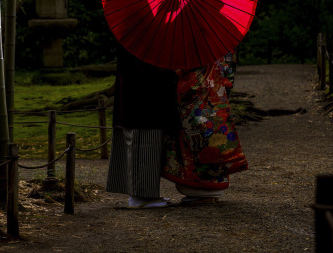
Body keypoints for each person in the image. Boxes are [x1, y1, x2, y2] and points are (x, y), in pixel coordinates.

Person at [162, 51, 248, 204]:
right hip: (215, 92)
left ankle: (202, 189)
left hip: (196, 94)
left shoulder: (188, 41)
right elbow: (228, 71)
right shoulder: (220, 41)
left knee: (196, 140)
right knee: (211, 137)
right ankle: (211, 187)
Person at [105, 46, 180, 209]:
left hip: (136, 98)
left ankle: (145, 194)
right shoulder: (142, 44)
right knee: (144, 145)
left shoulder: (133, 38)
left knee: (141, 145)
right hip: (143, 101)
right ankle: (141, 196)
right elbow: (151, 70)